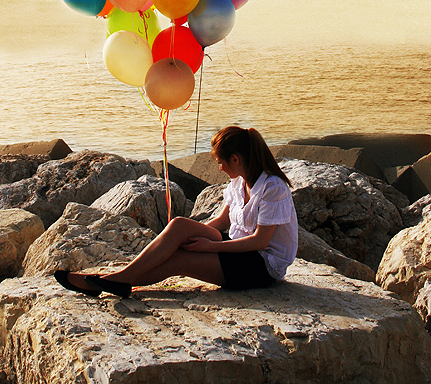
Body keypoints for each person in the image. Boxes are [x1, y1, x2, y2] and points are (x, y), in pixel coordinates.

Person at [54, 126, 298, 298]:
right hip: (237, 249)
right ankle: (117, 279)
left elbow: (259, 241)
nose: (219, 168)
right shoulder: (238, 182)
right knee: (180, 226)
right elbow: (223, 221)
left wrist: (209, 247)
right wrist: (186, 238)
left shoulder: (272, 188)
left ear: (235, 159)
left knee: (178, 260)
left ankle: (110, 281)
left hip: (260, 266)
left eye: (220, 162)